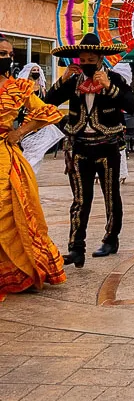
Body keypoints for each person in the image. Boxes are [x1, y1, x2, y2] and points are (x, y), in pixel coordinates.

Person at [46, 33, 134, 267]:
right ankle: (76, 248)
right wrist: (62, 80)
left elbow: (131, 105)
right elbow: (47, 102)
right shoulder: (73, 81)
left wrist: (109, 88)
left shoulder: (114, 78)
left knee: (110, 196)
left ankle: (111, 238)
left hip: (107, 147)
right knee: (80, 200)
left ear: (99, 59)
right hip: (78, 147)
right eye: (82, 59)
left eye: (90, 59)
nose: (86, 63)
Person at [0, 35, 66, 297]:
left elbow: (49, 113)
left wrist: (21, 132)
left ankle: (22, 271)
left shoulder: (18, 88)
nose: (4, 58)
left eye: (7, 54)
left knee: (8, 209)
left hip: (5, 154)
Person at [16, 63, 63, 176]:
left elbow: (44, 104)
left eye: (38, 70)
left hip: (39, 119)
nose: (36, 72)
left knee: (37, 148)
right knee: (26, 145)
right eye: (34, 70)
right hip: (25, 119)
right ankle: (26, 168)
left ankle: (30, 168)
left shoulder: (42, 89)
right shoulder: (24, 88)